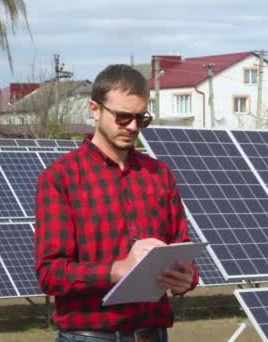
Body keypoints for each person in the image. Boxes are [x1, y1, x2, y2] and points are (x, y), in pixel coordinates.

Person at [34, 64, 198, 342]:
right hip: (89, 336)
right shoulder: (62, 178)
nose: (133, 127)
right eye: (123, 117)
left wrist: (187, 278)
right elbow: (51, 273)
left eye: (141, 118)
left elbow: (180, 247)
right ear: (95, 109)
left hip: (152, 335)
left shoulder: (159, 174)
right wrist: (118, 269)